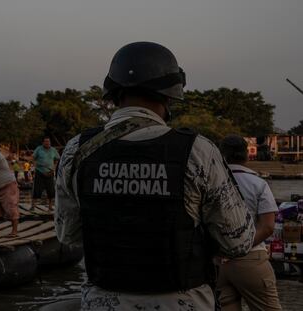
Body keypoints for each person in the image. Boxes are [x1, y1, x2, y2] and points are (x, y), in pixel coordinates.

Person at [55, 42, 255, 310]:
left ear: (114, 92)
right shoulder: (198, 151)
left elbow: (68, 234)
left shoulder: (76, 150)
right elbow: (238, 242)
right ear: (169, 96)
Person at [217, 135, 281, 311]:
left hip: (217, 263)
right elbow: (268, 227)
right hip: (251, 258)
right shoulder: (258, 183)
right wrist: (239, 247)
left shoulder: (211, 183)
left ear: (221, 155)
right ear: (246, 155)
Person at [31, 137, 60, 211]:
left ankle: (50, 206)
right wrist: (35, 166)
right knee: (36, 189)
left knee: (51, 190)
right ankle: (33, 206)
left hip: (50, 172)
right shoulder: (39, 149)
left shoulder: (53, 150)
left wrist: (54, 168)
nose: (47, 143)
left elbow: (57, 159)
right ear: (43, 142)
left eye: (48, 142)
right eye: (46, 142)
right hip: (40, 171)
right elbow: (33, 158)